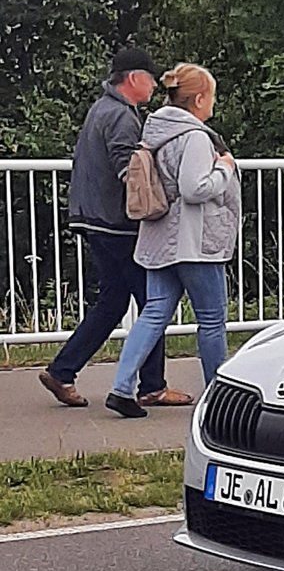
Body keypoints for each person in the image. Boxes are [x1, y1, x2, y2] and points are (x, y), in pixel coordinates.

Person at [38, 48, 193, 410]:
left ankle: (63, 370)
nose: (155, 85)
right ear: (134, 78)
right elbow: (130, 173)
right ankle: (151, 386)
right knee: (154, 302)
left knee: (113, 301)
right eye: (151, 78)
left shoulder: (101, 109)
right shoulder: (122, 117)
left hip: (94, 218)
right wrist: (160, 203)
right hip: (115, 223)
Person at [105, 64, 240, 419]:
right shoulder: (195, 136)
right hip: (196, 242)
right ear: (198, 99)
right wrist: (224, 169)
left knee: (153, 313)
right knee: (211, 320)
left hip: (160, 239)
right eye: (211, 96)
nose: (213, 103)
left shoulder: (155, 131)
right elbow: (194, 188)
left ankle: (121, 387)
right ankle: (217, 397)